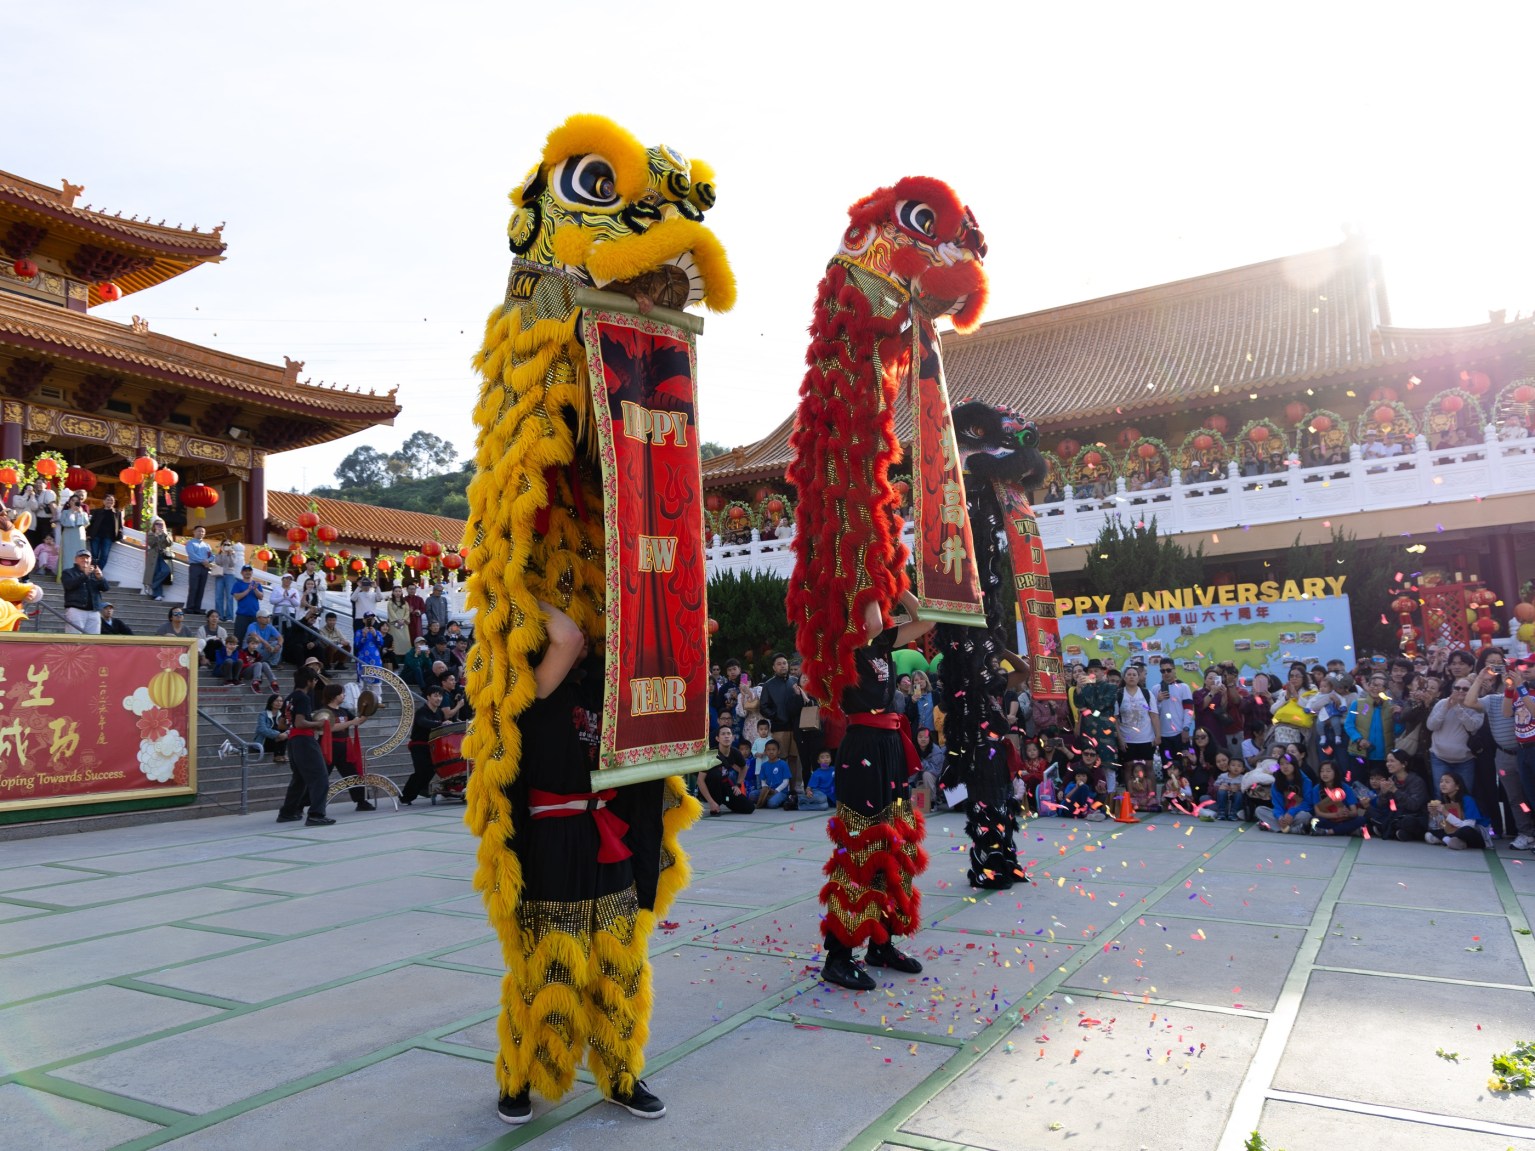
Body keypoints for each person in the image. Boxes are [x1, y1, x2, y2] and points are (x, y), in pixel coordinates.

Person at [488, 601, 680, 1124]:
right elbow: (568, 635)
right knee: (547, 966)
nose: (590, 637)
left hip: (610, 835)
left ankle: (621, 1074)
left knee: (620, 966)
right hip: (554, 842)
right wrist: (521, 590)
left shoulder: (609, 691)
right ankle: (519, 1078)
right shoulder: (531, 688)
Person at [819, 591, 933, 992]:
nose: (882, 607)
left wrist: (898, 587)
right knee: (860, 848)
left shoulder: (884, 640)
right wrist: (871, 578)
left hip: (890, 747)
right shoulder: (839, 643)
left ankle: (881, 943)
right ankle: (838, 956)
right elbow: (868, 621)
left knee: (895, 845)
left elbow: (927, 619)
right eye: (874, 597)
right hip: (862, 748)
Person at [275, 666, 334, 826]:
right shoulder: (303, 698)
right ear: (309, 681)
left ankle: (287, 813)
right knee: (320, 777)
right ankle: (316, 814)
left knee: (299, 779)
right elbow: (300, 723)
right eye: (314, 680)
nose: (315, 683)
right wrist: (319, 723)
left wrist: (302, 723)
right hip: (304, 741)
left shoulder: (289, 698)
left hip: (293, 742)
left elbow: (282, 724)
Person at [318, 681, 374, 811]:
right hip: (329, 748)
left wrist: (369, 709)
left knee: (353, 774)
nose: (344, 695)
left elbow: (358, 721)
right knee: (320, 776)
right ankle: (301, 804)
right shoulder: (324, 711)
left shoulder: (344, 711)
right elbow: (330, 728)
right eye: (342, 693)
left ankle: (361, 801)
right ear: (334, 696)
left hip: (344, 748)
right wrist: (350, 722)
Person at [758, 652, 804, 802]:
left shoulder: (795, 681)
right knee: (781, 758)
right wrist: (776, 715)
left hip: (795, 726)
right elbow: (763, 707)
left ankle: (793, 789)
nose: (783, 666)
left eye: (784, 663)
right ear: (773, 667)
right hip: (779, 727)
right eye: (779, 664)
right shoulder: (768, 685)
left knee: (794, 758)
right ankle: (780, 791)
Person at [1427, 675, 1485, 794]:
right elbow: (1431, 726)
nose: (1460, 691)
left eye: (1465, 689)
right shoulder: (1442, 703)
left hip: (1465, 760)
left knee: (1464, 794)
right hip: (1439, 758)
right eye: (1457, 688)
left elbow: (1472, 727)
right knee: (1441, 794)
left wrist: (1457, 708)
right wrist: (1446, 708)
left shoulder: (1477, 707)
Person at [1367, 750, 1431, 842]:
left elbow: (1414, 805)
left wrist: (1395, 790)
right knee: (1370, 811)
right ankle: (1396, 832)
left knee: (1407, 821)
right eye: (1387, 761)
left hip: (1414, 815)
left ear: (1404, 764)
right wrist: (1383, 793)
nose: (1388, 764)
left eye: (1392, 761)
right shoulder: (1392, 779)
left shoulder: (1416, 781)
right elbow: (1380, 805)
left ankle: (1388, 829)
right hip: (1395, 814)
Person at [400, 686, 447, 805]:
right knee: (421, 771)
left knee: (433, 769)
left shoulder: (440, 712)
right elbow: (423, 722)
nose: (438, 698)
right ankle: (405, 797)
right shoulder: (422, 712)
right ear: (428, 697)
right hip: (418, 745)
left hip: (432, 746)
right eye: (435, 696)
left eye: (440, 696)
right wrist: (440, 723)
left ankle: (423, 788)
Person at [1425, 772, 1491, 850]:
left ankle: (1448, 840)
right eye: (1441, 781)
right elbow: (1441, 825)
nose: (1443, 784)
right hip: (1454, 830)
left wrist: (1446, 813)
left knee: (1464, 831)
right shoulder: (1445, 800)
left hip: (1475, 832)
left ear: (1457, 786)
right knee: (1428, 833)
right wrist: (1434, 814)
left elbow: (1468, 826)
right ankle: (1449, 840)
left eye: (1447, 782)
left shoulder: (1467, 800)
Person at [698, 724, 754, 815]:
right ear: (717, 739)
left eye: (728, 734)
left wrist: (738, 784)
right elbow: (700, 780)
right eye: (723, 734)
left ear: (732, 738)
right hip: (710, 789)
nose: (726, 736)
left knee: (749, 807)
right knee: (715, 774)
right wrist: (711, 802)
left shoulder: (735, 752)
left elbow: (744, 768)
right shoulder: (710, 755)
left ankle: (726, 800)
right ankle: (715, 804)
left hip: (725, 788)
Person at [1256, 753, 1317, 833]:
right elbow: (1277, 805)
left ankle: (1277, 827)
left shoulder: (1306, 781)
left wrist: (1291, 813)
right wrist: (1280, 817)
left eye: (1288, 763)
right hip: (1283, 815)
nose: (1285, 766)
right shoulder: (1276, 784)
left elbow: (1308, 804)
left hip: (1297, 814)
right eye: (1281, 764)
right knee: (1259, 810)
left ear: (1294, 765)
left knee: (1305, 816)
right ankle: (1294, 829)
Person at [1115, 664, 1159, 766]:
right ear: (1124, 678)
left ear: (1138, 678)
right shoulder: (1118, 695)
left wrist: (1158, 736)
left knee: (1148, 767)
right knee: (1128, 768)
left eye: (1134, 675)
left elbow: (1154, 715)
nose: (1131, 677)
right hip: (1127, 739)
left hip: (1146, 738)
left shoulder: (1147, 694)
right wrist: (1120, 739)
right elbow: (1115, 718)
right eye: (1129, 674)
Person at [1310, 760, 1367, 836]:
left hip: (1344, 819)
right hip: (1328, 819)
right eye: (1322, 771)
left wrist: (1348, 813)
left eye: (1328, 771)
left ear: (1335, 773)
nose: (1324, 774)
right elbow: (1318, 813)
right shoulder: (1316, 789)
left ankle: (1328, 831)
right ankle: (1347, 830)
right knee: (1314, 820)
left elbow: (1354, 812)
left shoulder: (1346, 788)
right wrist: (1336, 815)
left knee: (1361, 819)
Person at [60, 549, 108, 634]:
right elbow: (69, 585)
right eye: (81, 557)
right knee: (74, 639)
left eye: (87, 558)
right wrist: (85, 575)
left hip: (94, 611)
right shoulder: (68, 572)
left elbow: (105, 588)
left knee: (93, 639)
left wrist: (101, 578)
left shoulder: (94, 573)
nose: (85, 560)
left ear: (91, 560)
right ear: (76, 559)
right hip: (76, 610)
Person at [1154, 659, 1193, 760]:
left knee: (1184, 764)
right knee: (1167, 765)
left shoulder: (1184, 687)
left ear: (1174, 670)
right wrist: (1158, 701)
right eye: (1163, 671)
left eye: (1168, 670)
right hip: (1163, 736)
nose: (1166, 673)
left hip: (1180, 733)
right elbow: (1153, 714)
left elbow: (1188, 709)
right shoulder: (1155, 689)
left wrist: (1186, 728)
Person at [55, 493, 88, 582]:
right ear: (69, 502)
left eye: (76, 501)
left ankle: (79, 576)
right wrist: (71, 512)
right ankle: (67, 576)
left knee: (80, 555)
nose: (74, 502)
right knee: (68, 555)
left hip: (79, 535)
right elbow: (64, 523)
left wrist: (80, 513)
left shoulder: (83, 512)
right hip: (68, 535)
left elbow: (86, 523)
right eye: (72, 500)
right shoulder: (65, 512)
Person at [85, 495, 123, 571]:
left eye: (112, 500)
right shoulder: (97, 511)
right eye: (108, 500)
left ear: (114, 502)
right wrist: (88, 534)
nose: (110, 501)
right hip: (96, 535)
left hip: (108, 537)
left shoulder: (117, 513)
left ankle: (97, 573)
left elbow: (119, 526)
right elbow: (91, 523)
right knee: (94, 555)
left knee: (104, 556)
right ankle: (91, 572)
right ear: (104, 501)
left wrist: (119, 536)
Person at [752, 739, 793, 808]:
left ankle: (768, 800)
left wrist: (777, 790)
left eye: (774, 749)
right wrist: (766, 788)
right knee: (752, 795)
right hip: (768, 791)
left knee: (772, 804)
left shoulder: (783, 764)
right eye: (768, 750)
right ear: (765, 752)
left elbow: (786, 781)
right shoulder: (764, 765)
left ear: (778, 751)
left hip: (781, 791)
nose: (771, 752)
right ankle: (766, 799)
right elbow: (763, 781)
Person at [183, 524, 214, 613]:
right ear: (194, 532)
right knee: (193, 587)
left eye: (203, 532)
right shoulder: (190, 543)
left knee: (201, 588)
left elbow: (212, 556)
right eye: (199, 531)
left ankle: (197, 608)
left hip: (204, 568)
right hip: (195, 567)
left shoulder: (207, 545)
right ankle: (190, 607)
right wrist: (203, 561)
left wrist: (208, 560)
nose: (201, 533)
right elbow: (192, 554)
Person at [230, 564, 263, 643]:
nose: (247, 572)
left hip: (254, 615)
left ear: (252, 572)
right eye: (245, 571)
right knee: (237, 639)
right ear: (242, 573)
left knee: (255, 639)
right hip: (242, 615)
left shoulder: (257, 584)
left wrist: (255, 589)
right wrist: (248, 590)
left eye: (249, 571)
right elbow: (237, 597)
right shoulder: (237, 584)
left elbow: (261, 597)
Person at [141, 517, 173, 599]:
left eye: (161, 524)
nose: (159, 526)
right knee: (155, 573)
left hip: (163, 556)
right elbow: (151, 544)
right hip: (153, 556)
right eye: (157, 524)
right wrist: (156, 535)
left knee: (165, 570)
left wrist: (164, 534)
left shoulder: (166, 534)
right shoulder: (151, 534)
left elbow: (169, 543)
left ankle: (151, 584)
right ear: (154, 525)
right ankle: (158, 595)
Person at [213, 538, 242, 620]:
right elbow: (218, 562)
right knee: (218, 596)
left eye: (228, 544)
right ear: (222, 545)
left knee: (230, 596)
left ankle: (229, 617)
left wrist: (229, 554)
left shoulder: (233, 554)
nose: (226, 546)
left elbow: (232, 564)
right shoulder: (218, 554)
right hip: (219, 575)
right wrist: (223, 553)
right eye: (225, 544)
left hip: (230, 575)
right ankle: (219, 616)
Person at [254, 693, 288, 763]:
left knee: (284, 734)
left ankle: (280, 754)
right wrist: (278, 734)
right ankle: (279, 755)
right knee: (279, 733)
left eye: (281, 701)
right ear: (271, 702)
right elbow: (262, 729)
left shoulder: (283, 715)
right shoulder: (263, 714)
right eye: (276, 701)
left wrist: (284, 734)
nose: (279, 703)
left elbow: (289, 728)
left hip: (279, 740)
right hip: (264, 742)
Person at [1212, 751, 1245, 820]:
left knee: (1239, 794)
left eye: (1239, 766)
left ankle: (1234, 813)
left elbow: (1247, 788)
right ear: (1229, 767)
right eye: (1233, 765)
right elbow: (1215, 785)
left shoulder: (1243, 778)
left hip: (1235, 800)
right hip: (1224, 798)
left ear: (1243, 769)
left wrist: (1239, 787)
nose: (1236, 768)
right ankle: (1221, 812)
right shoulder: (1223, 776)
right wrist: (1220, 787)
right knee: (1221, 792)